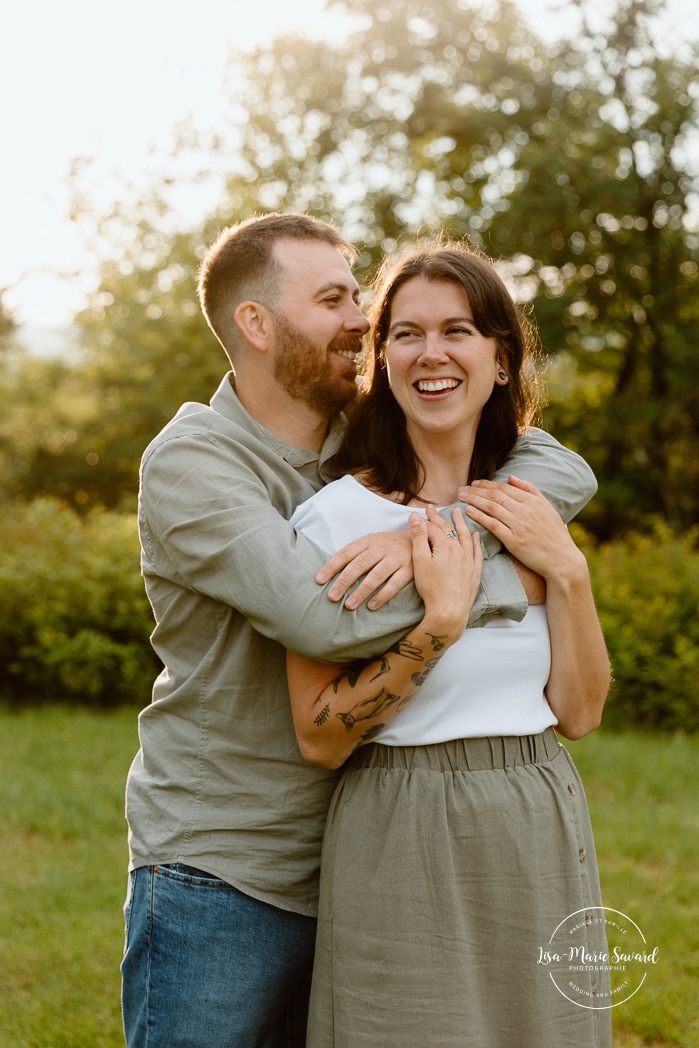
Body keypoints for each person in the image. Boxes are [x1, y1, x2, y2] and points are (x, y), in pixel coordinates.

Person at [121, 213, 599, 1048]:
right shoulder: (194, 462)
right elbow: (320, 617)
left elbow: (557, 464)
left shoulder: (362, 438)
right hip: (231, 864)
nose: (360, 321)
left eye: (359, 297)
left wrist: (447, 532)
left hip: (360, 845)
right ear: (257, 324)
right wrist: (489, 578)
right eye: (335, 298)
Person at [287, 242, 612, 1047]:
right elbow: (319, 738)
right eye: (405, 333)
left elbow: (577, 712)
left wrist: (566, 572)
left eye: (457, 330)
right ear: (381, 359)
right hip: (402, 820)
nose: (431, 354)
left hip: (537, 811)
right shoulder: (336, 521)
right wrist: (435, 623)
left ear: (500, 359)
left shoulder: (527, 507)